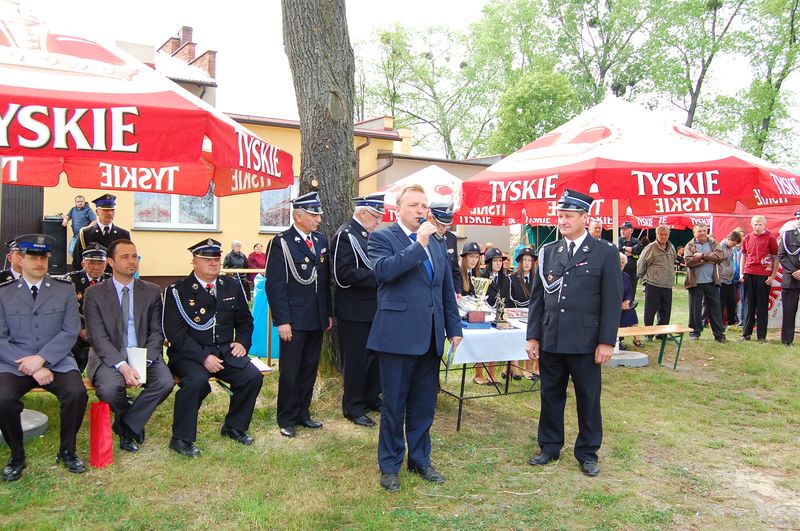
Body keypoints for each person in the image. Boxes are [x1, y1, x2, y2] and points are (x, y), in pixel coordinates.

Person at [367, 184, 462, 492]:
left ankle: (420, 459)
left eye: (424, 205)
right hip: (397, 337)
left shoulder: (437, 242)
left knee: (423, 405)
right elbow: (383, 272)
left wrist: (454, 327)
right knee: (394, 404)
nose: (422, 211)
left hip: (431, 336)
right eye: (414, 205)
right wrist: (416, 246)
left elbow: (444, 287)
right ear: (398, 210)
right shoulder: (382, 237)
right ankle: (390, 465)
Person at [526, 190, 621, 477]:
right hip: (552, 337)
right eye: (560, 215)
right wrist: (533, 336)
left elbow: (611, 301)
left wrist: (606, 341)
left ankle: (587, 452)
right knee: (550, 394)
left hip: (585, 341)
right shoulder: (549, 252)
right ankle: (550, 446)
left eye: (568, 216)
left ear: (584, 217)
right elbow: (537, 299)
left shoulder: (604, 252)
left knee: (588, 398)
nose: (562, 221)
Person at [163, 238, 262, 457]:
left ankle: (234, 427)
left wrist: (243, 343)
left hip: (224, 350)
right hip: (189, 353)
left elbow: (245, 321)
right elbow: (175, 334)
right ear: (194, 261)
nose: (214, 263)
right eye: (207, 259)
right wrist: (203, 357)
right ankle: (181, 439)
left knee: (251, 377)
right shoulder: (178, 291)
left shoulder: (231, 285)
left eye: (216, 259)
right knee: (196, 382)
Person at [0, 234, 87, 481]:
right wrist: (32, 365)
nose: (39, 262)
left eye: (43, 257)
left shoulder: (64, 289)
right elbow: (0, 338)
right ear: (20, 259)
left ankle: (67, 451)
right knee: (3, 398)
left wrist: (43, 360)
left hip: (57, 360)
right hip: (15, 363)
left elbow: (70, 330)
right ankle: (17, 456)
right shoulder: (4, 293)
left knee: (76, 393)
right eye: (32, 257)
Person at [83, 240, 174, 453]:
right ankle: (130, 421)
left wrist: (144, 362)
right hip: (109, 355)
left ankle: (127, 424)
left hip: (143, 353)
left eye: (135, 256)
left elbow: (156, 332)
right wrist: (123, 366)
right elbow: (97, 337)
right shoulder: (94, 294)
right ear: (110, 262)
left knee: (164, 382)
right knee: (109, 389)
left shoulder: (151, 291)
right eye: (125, 257)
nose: (132, 261)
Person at [265, 192, 332, 438]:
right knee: (291, 371)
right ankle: (286, 417)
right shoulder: (282, 242)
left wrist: (328, 314)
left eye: (318, 215)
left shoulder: (320, 240)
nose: (318, 220)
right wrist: (282, 320)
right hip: (293, 319)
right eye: (314, 215)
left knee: (309, 369)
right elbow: (275, 285)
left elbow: (324, 282)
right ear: (298, 215)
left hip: (316, 317)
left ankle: (304, 413)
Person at [332, 192, 384, 427]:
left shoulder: (366, 236)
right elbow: (342, 275)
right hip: (353, 311)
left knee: (374, 358)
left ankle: (371, 398)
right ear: (362, 212)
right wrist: (378, 276)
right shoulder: (346, 235)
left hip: (372, 309)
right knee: (356, 361)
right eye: (375, 216)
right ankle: (353, 407)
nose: (378, 221)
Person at [64, 243, 112, 373]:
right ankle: (73, 375)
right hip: (78, 331)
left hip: (106, 332)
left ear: (106, 263)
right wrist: (81, 330)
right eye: (91, 263)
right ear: (83, 264)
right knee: (70, 345)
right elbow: (66, 311)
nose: (96, 267)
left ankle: (113, 380)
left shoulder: (112, 282)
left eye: (100, 263)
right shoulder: (70, 281)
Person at [684, 223, 727, 342]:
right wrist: (708, 259)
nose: (702, 233)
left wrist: (702, 256)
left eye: (704, 230)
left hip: (712, 282)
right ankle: (695, 333)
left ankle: (719, 334)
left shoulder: (713, 243)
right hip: (695, 282)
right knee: (695, 309)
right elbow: (689, 261)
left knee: (715, 309)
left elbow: (720, 256)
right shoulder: (690, 245)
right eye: (699, 231)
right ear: (694, 233)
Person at [739, 215, 778, 343]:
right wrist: (741, 273)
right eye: (755, 224)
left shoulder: (770, 238)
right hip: (749, 273)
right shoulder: (748, 238)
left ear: (764, 225)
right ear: (751, 224)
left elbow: (775, 258)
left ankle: (761, 336)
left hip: (764, 275)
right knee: (749, 304)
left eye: (760, 224)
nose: (757, 226)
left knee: (762, 306)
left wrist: (772, 276)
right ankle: (746, 333)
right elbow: (743, 256)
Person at [73, 194, 131, 273]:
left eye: (112, 210)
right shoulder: (86, 234)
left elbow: (127, 261)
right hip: (92, 281)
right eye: (106, 210)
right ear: (97, 212)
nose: (110, 213)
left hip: (114, 280)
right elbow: (77, 260)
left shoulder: (123, 235)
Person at [637, 225, 676, 339]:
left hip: (667, 284)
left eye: (666, 234)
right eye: (661, 234)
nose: (663, 237)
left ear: (668, 235)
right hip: (653, 283)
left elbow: (673, 260)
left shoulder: (671, 247)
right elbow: (641, 264)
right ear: (656, 234)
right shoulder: (650, 248)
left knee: (665, 311)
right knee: (650, 310)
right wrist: (642, 278)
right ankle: (648, 334)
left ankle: (662, 334)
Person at [507, 246, 537, 379]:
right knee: (516, 340)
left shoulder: (536, 278)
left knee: (531, 339)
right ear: (520, 262)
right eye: (524, 260)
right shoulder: (512, 277)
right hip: (516, 314)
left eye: (529, 260)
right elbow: (512, 297)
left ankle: (528, 369)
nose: (526, 263)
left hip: (532, 315)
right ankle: (514, 367)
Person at [427, 202, 461, 295]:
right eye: (440, 224)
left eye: (447, 225)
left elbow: (454, 269)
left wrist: (457, 291)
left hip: (448, 291)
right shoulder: (424, 237)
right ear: (431, 218)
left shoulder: (451, 238)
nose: (443, 228)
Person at [777, 210, 800, 346]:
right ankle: (786, 340)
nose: (799, 221)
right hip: (791, 279)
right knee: (789, 311)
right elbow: (781, 256)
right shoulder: (787, 235)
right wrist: (795, 272)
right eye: (797, 218)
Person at [62, 195, 96, 268]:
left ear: (84, 202)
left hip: (84, 236)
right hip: (75, 236)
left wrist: (87, 228)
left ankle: (83, 266)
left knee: (83, 252)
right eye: (78, 201)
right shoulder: (73, 210)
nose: (80, 203)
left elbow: (94, 221)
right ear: (75, 202)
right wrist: (65, 220)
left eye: (81, 201)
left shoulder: (88, 211)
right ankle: (79, 264)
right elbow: (68, 216)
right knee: (71, 251)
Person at [719, 231, 742, 328]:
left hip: (730, 279)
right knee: (721, 302)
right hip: (722, 280)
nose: (733, 246)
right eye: (733, 244)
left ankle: (731, 322)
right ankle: (719, 323)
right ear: (729, 239)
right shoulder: (719, 248)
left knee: (731, 302)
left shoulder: (730, 249)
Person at [619, 253, 640, 349]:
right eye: (619, 263)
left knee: (632, 313)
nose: (621, 265)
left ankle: (637, 339)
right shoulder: (608, 276)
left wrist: (627, 301)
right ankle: (618, 341)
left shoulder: (626, 276)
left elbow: (630, 292)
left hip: (625, 305)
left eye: (623, 263)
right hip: (613, 306)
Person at [618, 221, 643, 300]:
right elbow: (618, 250)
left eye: (625, 229)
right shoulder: (618, 240)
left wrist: (624, 248)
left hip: (633, 272)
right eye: (621, 229)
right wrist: (632, 251)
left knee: (631, 295)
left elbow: (639, 251)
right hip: (620, 272)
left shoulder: (636, 241)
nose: (622, 231)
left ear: (631, 231)